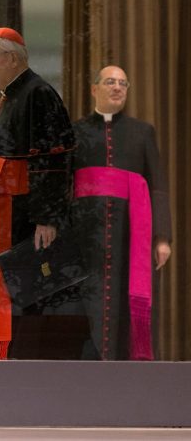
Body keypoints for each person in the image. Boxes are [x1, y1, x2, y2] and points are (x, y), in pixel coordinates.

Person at [0, 27, 75, 360]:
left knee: (19, 309)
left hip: (21, 218)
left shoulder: (37, 93)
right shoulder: (13, 94)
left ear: (10, 59)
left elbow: (54, 158)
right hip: (5, 214)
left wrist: (47, 218)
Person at [71, 65, 171, 361]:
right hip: (87, 233)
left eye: (123, 84)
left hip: (131, 231)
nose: (117, 88)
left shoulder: (142, 132)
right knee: (88, 300)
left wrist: (162, 237)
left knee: (125, 301)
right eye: (110, 82)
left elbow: (158, 186)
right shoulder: (76, 132)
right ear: (94, 89)